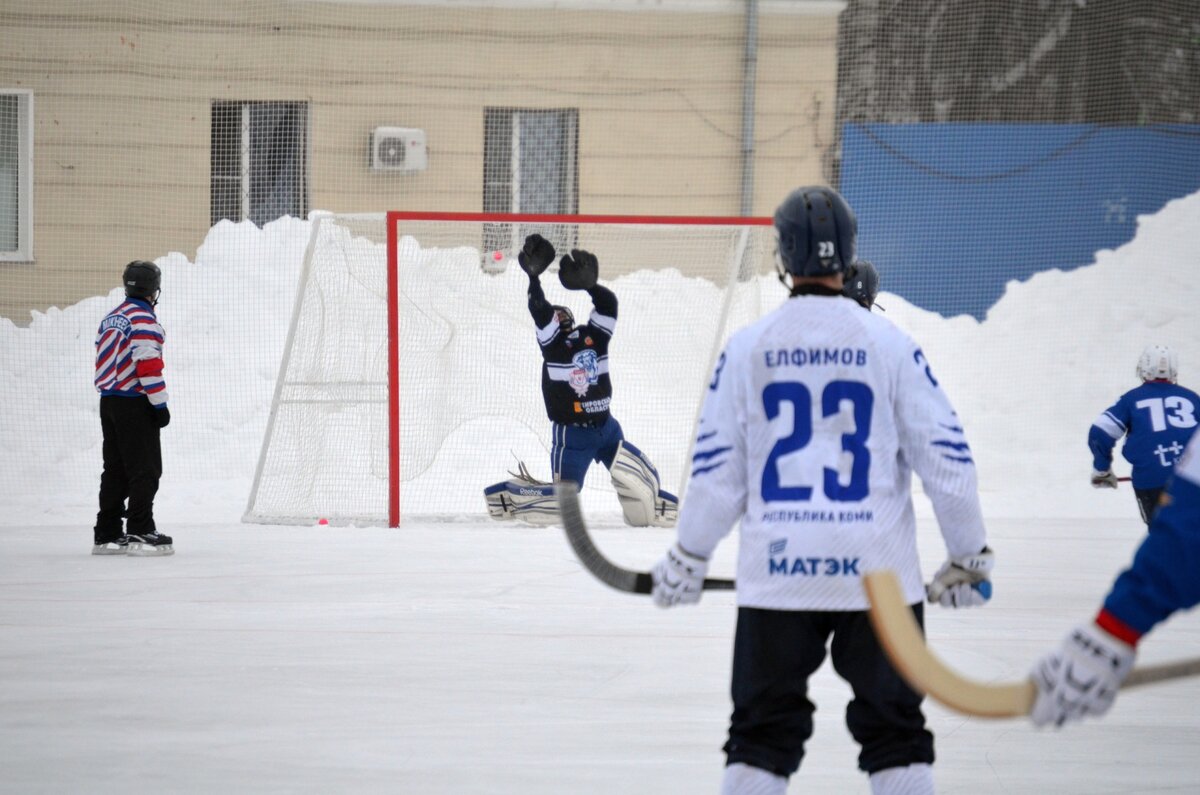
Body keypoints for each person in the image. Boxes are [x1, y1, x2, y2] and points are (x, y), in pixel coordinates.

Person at [649, 186, 994, 795]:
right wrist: (968, 557)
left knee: (759, 737)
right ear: (849, 254)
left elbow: (717, 472)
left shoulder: (748, 348)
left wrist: (689, 554)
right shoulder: (890, 345)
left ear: (783, 256)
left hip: (778, 571)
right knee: (897, 738)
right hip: (880, 578)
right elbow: (947, 460)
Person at [483, 234, 677, 528]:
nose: (556, 315)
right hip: (572, 437)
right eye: (553, 314)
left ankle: (654, 504)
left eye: (562, 313)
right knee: (564, 503)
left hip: (607, 428)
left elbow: (608, 307)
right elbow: (539, 310)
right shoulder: (553, 347)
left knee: (638, 480)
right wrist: (534, 280)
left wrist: (592, 286)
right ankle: (515, 494)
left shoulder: (594, 337)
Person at [1031, 429, 1200, 728]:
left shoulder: (1134, 399)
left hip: (1156, 483)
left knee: (1163, 526)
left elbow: (1188, 532)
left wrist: (1114, 629)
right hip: (1174, 479)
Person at [92, 260, 174, 556]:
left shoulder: (112, 317)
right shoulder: (144, 320)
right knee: (146, 468)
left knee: (114, 469)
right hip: (134, 402)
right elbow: (148, 365)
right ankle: (140, 528)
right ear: (153, 289)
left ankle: (107, 532)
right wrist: (159, 404)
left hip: (109, 400)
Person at [1088, 344, 1199, 524]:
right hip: (1193, 480)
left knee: (1165, 541)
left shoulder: (1131, 399)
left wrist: (1102, 469)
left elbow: (1100, 431)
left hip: (1152, 481)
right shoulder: (1192, 398)